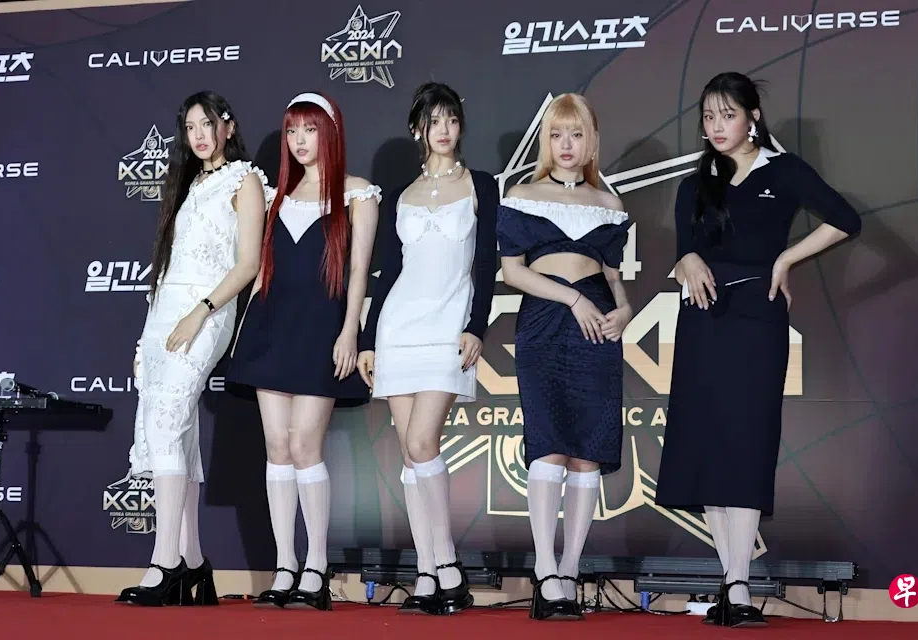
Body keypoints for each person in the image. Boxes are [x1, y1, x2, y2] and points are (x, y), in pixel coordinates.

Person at [653, 72, 862, 628]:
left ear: (753, 117)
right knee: (708, 445)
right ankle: (732, 582)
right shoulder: (695, 184)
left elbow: (846, 220)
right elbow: (685, 250)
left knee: (746, 443)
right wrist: (686, 259)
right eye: (709, 117)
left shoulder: (783, 170)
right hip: (701, 323)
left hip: (756, 321)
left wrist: (786, 260)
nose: (717, 127)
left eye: (728, 115)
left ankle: (740, 584)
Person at [118, 91, 275, 607]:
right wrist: (145, 338)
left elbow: (248, 264)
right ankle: (192, 562)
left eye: (207, 124)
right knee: (175, 433)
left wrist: (201, 310)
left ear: (227, 126)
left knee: (168, 420)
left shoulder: (244, 179)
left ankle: (162, 563)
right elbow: (168, 270)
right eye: (190, 128)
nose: (199, 135)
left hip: (207, 313)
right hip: (164, 316)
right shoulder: (188, 186)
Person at [226, 92, 380, 609]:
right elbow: (258, 271)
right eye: (292, 131)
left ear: (329, 133)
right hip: (270, 329)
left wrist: (350, 332)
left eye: (309, 130)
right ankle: (285, 565)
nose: (299, 141)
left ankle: (316, 564)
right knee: (277, 446)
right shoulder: (276, 196)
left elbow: (359, 271)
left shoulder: (357, 193)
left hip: (321, 330)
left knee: (305, 445)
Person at [356, 82, 498, 616]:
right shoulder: (399, 195)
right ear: (418, 128)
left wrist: (476, 326)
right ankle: (428, 572)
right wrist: (368, 340)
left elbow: (487, 263)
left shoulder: (482, 185)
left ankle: (447, 566)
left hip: (449, 326)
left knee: (422, 443)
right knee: (410, 457)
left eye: (452, 119)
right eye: (434, 120)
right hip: (398, 329)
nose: (444, 129)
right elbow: (387, 273)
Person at [497, 93, 632, 621]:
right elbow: (513, 272)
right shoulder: (522, 195)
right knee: (548, 444)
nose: (567, 144)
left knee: (587, 452)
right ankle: (545, 570)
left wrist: (624, 310)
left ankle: (570, 572)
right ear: (546, 142)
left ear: (592, 140)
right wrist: (572, 298)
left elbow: (615, 280)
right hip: (546, 321)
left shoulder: (610, 204)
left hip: (597, 325)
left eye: (576, 134)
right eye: (557, 134)